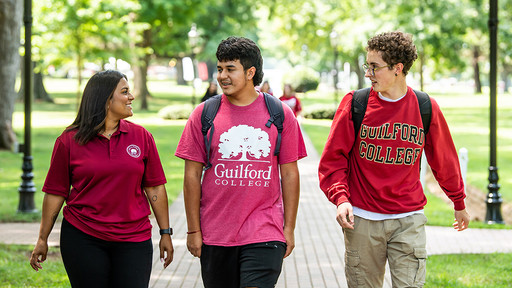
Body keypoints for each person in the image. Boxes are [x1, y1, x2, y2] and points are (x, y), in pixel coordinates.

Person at [318, 31, 470, 288]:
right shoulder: (356, 103)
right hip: (362, 220)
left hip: (408, 220)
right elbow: (333, 159)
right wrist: (341, 198)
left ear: (398, 68)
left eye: (375, 67)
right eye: (368, 66)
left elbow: (444, 158)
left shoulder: (425, 107)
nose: (368, 73)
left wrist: (458, 200)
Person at [175, 36, 307, 288]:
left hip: (264, 231)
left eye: (230, 69)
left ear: (250, 72)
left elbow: (289, 174)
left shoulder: (279, 114)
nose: (222, 75)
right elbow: (191, 176)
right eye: (220, 68)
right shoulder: (204, 114)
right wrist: (193, 230)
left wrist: (288, 228)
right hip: (216, 233)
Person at [29, 70, 174, 288]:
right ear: (106, 99)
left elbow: (154, 188)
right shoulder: (69, 140)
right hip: (83, 236)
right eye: (125, 92)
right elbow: (56, 193)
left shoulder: (142, 137)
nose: (131, 97)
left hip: (134, 238)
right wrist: (42, 239)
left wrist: (165, 233)